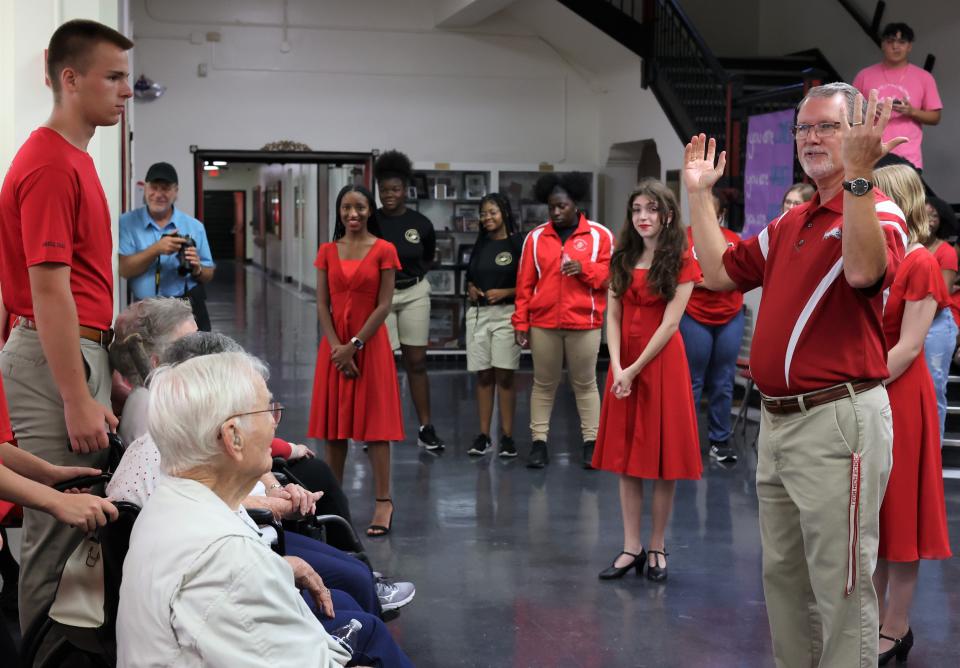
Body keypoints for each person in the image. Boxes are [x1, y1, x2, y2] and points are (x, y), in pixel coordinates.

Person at [685, 83, 908, 667]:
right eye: (803, 128)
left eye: (827, 127)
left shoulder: (877, 208)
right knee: (784, 579)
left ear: (858, 132)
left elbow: (863, 272)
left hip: (838, 422)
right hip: (779, 425)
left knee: (840, 584)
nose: (811, 138)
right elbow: (716, 272)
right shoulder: (791, 222)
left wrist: (858, 176)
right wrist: (699, 196)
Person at [0, 19, 132, 633]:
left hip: (76, 353)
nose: (125, 90)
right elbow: (47, 291)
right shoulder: (51, 163)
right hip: (58, 361)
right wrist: (77, 397)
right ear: (70, 78)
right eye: (114, 77)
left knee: (75, 526)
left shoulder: (73, 159)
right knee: (57, 533)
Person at [116, 353, 353, 667]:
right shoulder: (229, 560)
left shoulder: (169, 502)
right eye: (267, 409)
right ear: (233, 437)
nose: (274, 420)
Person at [593, 179, 702, 582]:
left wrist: (633, 367)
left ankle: (656, 545)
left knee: (663, 461)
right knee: (626, 460)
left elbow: (671, 323)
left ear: (667, 215)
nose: (643, 216)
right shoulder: (622, 256)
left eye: (651, 209)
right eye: (637, 209)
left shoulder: (682, 261)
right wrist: (617, 365)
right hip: (624, 366)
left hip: (660, 364)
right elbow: (614, 316)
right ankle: (631, 546)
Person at [870, 164, 951, 665]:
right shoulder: (875, 256)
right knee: (875, 517)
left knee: (900, 515)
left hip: (897, 393)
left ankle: (896, 626)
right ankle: (875, 620)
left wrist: (861, 382)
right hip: (872, 389)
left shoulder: (919, 261)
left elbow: (909, 345)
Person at [310, 185, 404, 537]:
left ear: (369, 211)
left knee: (376, 428)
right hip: (335, 350)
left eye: (360, 207)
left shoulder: (384, 250)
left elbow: (384, 304)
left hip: (369, 347)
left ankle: (384, 501)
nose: (353, 214)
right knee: (335, 430)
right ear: (339, 211)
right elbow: (322, 304)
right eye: (347, 207)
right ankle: (334, 503)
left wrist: (355, 344)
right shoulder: (327, 252)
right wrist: (338, 348)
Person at [513, 172, 613, 469]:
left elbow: (611, 278)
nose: (556, 212)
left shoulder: (600, 236)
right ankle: (539, 444)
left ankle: (591, 445)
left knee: (584, 384)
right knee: (543, 384)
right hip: (543, 324)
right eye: (551, 207)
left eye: (562, 206)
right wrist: (521, 323)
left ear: (576, 204)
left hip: (585, 323)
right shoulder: (535, 238)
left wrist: (584, 268)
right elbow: (524, 284)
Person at [374, 150, 446, 451]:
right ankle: (379, 427)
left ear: (406, 190)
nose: (389, 195)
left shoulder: (421, 223)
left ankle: (425, 427)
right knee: (383, 363)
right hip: (382, 297)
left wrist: (412, 277)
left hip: (414, 292)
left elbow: (428, 257)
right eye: (384, 190)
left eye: (395, 189)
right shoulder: (371, 221)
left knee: (416, 362)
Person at [679, 189, 744, 463]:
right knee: (692, 380)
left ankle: (720, 440)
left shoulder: (733, 240)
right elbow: (679, 275)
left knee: (724, 380)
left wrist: (711, 280)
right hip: (693, 313)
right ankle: (685, 443)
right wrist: (714, 281)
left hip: (730, 314)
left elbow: (740, 275)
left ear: (721, 214)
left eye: (711, 211)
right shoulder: (683, 238)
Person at [118, 162, 216, 331]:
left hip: (187, 307)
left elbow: (208, 274)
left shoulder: (194, 226)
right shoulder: (127, 223)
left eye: (165, 188)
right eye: (154, 188)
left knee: (194, 357)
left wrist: (197, 268)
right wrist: (157, 249)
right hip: (146, 310)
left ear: (175, 192)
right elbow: (124, 270)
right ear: (145, 188)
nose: (158, 194)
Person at [464, 193, 525, 458]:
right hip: (479, 315)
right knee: (484, 375)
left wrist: (504, 292)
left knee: (505, 375)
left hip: (506, 314)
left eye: (492, 212)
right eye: (483, 213)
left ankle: (508, 436)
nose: (487, 218)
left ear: (505, 213)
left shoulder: (517, 244)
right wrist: (472, 289)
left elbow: (529, 283)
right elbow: (470, 278)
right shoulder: (481, 244)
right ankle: (484, 435)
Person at [853, 22, 942, 172]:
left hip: (908, 157)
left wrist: (911, 111)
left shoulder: (924, 77)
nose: (895, 46)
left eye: (902, 42)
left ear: (909, 46)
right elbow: (847, 111)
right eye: (890, 41)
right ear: (882, 44)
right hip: (869, 155)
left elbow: (935, 117)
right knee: (869, 196)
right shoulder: (864, 75)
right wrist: (869, 110)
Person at [920, 194, 958, 439]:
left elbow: (941, 296)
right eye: (926, 213)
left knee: (934, 389)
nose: (930, 219)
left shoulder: (946, 252)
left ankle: (935, 449)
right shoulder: (906, 245)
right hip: (912, 321)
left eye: (935, 215)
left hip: (935, 326)